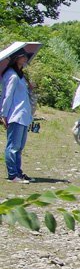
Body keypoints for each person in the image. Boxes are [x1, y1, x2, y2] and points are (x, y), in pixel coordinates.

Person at [1, 48, 34, 183]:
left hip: (23, 115)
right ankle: (12, 174)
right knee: (13, 146)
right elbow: (7, 96)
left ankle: (18, 172)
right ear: (15, 59)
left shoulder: (20, 75)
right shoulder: (12, 75)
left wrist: (29, 88)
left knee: (19, 146)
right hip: (15, 114)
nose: (25, 58)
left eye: (26, 56)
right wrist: (3, 114)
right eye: (22, 56)